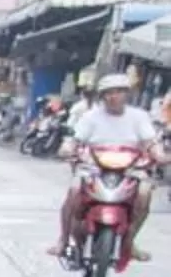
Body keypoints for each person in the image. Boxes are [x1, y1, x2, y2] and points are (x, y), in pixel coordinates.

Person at [58, 72, 157, 263]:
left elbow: (150, 142)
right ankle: (63, 240)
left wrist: (159, 155)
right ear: (102, 96)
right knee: (74, 191)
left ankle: (129, 241)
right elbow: (74, 140)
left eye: (118, 92)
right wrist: (67, 148)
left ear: (126, 94)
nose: (114, 97)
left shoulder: (139, 117)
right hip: (94, 167)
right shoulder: (90, 117)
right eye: (109, 93)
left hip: (130, 169)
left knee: (145, 193)